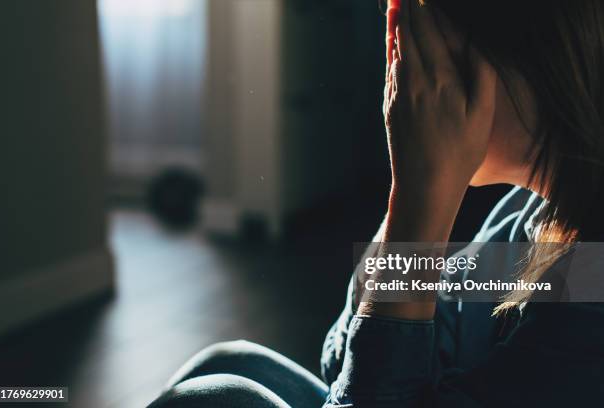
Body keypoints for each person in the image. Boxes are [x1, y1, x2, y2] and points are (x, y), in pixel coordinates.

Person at [149, 0, 604, 406]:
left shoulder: (592, 291)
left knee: (221, 400)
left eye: (432, 61)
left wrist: (421, 199)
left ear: (537, 58)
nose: (414, 88)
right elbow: (343, 362)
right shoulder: (523, 215)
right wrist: (412, 187)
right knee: (228, 366)